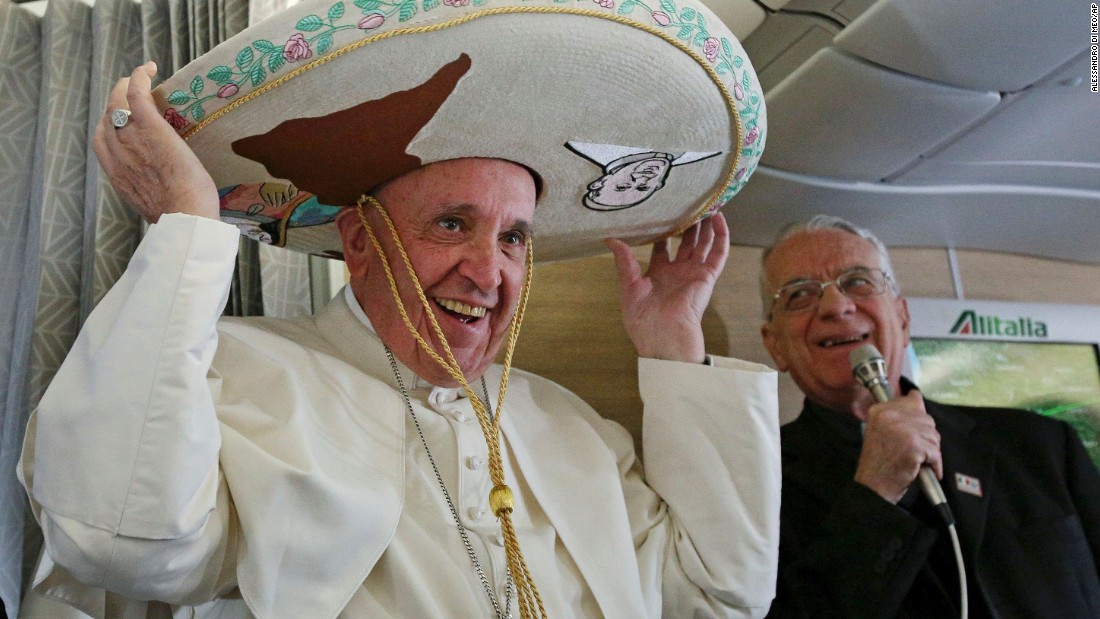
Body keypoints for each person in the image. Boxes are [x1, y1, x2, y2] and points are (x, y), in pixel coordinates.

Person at [18, 2, 780, 618]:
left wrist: (672, 344)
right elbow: (115, 536)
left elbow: (718, 594)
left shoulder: (577, 428)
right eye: (452, 223)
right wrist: (190, 223)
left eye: (514, 237)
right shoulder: (229, 375)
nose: (488, 270)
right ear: (359, 241)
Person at [757, 215, 1100, 618]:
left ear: (903, 318)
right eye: (799, 294)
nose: (836, 306)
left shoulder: (1041, 445)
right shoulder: (757, 484)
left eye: (858, 282)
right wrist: (876, 492)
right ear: (774, 345)